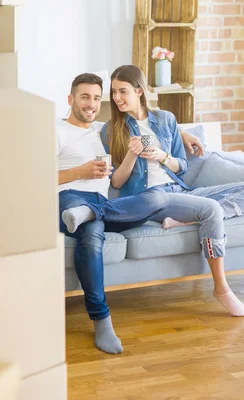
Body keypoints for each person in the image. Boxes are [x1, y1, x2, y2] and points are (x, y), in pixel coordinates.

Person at [101, 65, 244, 317]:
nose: (116, 98)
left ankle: (186, 218)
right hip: (150, 199)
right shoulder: (111, 129)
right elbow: (116, 183)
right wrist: (132, 156)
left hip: (179, 191)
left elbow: (182, 166)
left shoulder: (166, 120)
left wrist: (163, 156)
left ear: (139, 91)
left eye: (122, 91)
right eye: (113, 92)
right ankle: (222, 288)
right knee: (210, 209)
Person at [58, 73, 204, 353]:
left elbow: (147, 124)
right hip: (69, 198)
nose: (90, 104)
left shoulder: (103, 129)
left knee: (156, 198)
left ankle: (91, 212)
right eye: (84, 97)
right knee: (90, 237)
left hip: (99, 202)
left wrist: (181, 132)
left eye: (95, 98)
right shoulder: (55, 130)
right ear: (70, 100)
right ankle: (102, 321)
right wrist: (80, 172)